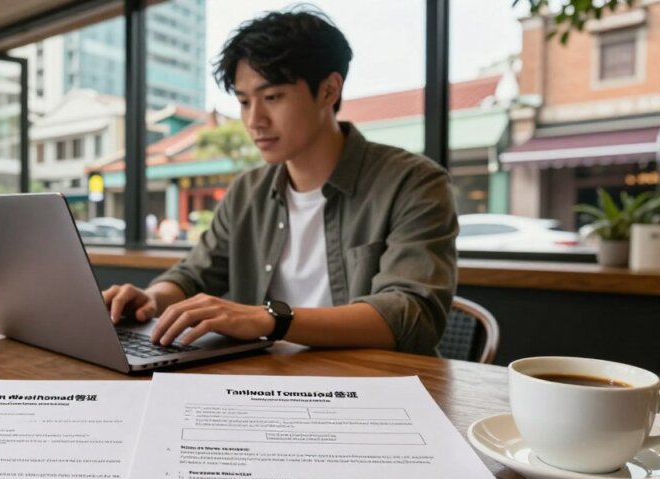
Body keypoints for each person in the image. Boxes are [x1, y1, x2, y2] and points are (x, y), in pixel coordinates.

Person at [102, 7, 457, 356]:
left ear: (329, 90)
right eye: (243, 101)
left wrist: (272, 319)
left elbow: (412, 316)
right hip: (269, 383)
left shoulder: (413, 183)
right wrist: (153, 298)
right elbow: (194, 274)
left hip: (378, 388)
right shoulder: (247, 191)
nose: (255, 120)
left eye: (272, 97)